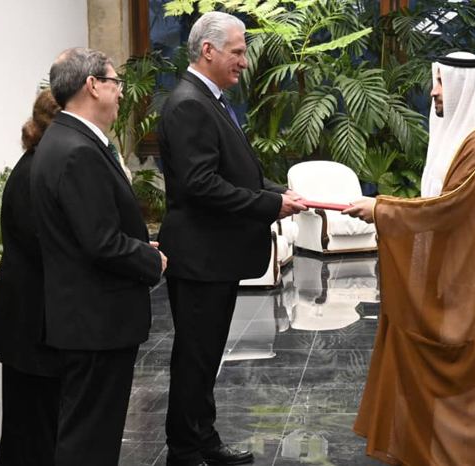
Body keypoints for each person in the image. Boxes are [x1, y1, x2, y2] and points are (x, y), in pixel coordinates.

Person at [343, 52, 475, 465]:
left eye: (441, 82)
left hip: (470, 285)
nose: (434, 91)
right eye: (435, 81)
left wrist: (381, 209)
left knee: (464, 383)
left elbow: (448, 206)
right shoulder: (462, 139)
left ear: (464, 86)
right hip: (449, 277)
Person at [156, 11, 306, 466]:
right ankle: (186, 450)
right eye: (238, 52)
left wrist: (278, 193)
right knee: (195, 359)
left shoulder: (210, 99)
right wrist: (268, 206)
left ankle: (203, 439)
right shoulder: (189, 103)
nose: (244, 61)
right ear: (208, 50)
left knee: (205, 357)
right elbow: (201, 185)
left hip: (213, 256)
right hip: (200, 257)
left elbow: (234, 173)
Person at [30, 47, 167, 466]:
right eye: (115, 82)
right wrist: (151, 261)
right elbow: (101, 242)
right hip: (96, 321)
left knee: (87, 432)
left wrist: (137, 246)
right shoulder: (78, 150)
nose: (122, 92)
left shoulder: (64, 139)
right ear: (93, 85)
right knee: (90, 438)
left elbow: (88, 231)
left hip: (85, 317)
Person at [0, 89, 61, 466]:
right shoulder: (37, 172)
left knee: (30, 427)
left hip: (29, 319)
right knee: (31, 431)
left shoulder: (36, 165)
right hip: (31, 322)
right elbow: (45, 247)